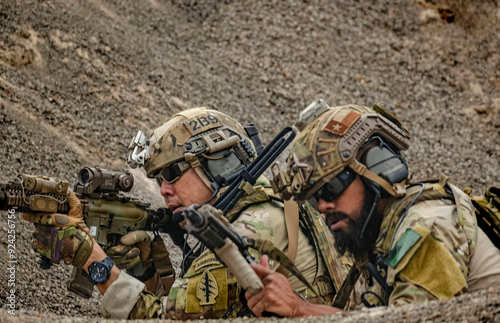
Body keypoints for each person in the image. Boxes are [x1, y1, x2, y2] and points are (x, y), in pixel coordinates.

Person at [25, 107, 350, 319]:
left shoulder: (243, 236)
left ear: (218, 164)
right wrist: (144, 266)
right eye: (158, 178)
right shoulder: (272, 204)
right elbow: (191, 308)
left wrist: (93, 261)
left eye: (173, 173)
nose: (163, 188)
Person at [245, 101, 500, 317]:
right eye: (313, 199)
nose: (323, 206)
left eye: (331, 187)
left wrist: (300, 308)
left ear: (376, 167)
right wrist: (289, 306)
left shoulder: (426, 227)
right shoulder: (377, 244)